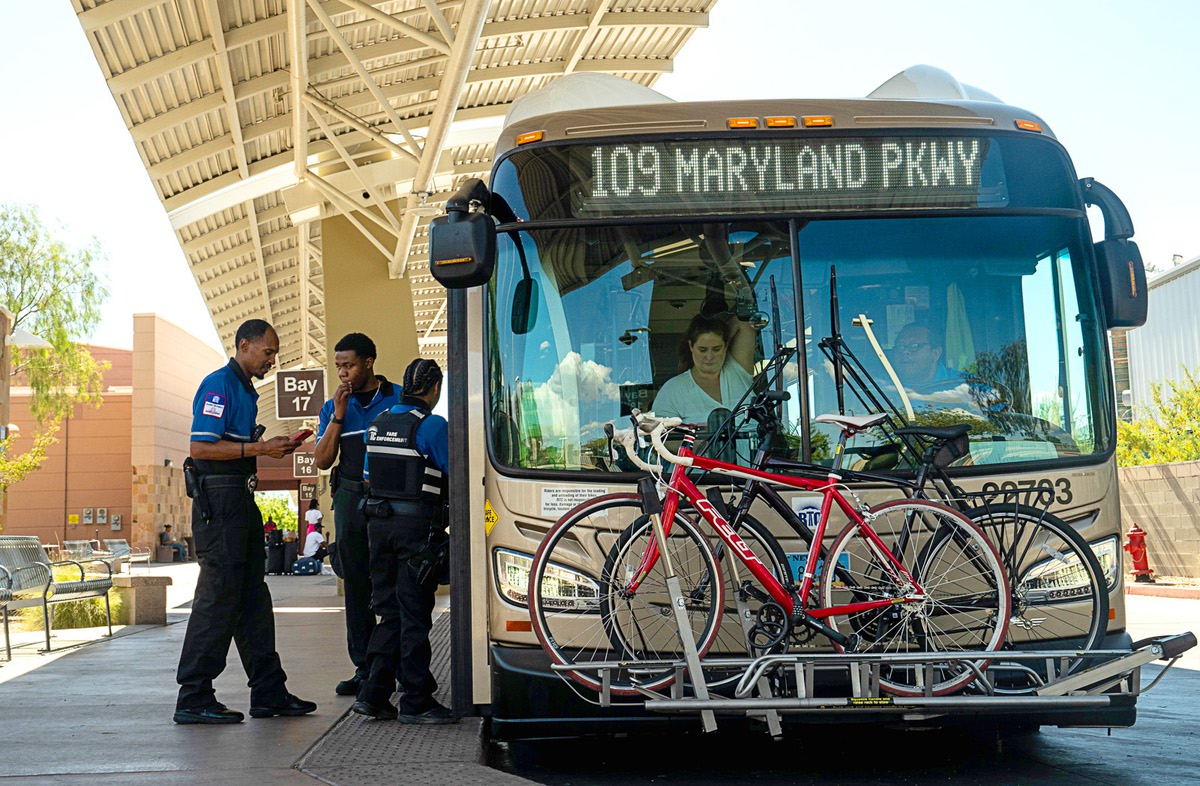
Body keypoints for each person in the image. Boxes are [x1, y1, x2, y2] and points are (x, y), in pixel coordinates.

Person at [173, 319, 317, 725]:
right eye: (267, 352)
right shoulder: (218, 385)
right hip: (219, 502)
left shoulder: (244, 390)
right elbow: (200, 445)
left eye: (274, 354)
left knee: (253, 596)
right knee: (218, 595)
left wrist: (272, 449)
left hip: (239, 497)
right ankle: (194, 695)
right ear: (244, 345)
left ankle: (269, 692)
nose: (272, 360)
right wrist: (259, 447)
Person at [352, 358, 455, 725]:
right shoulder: (430, 425)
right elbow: (454, 474)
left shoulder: (377, 425)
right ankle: (416, 699)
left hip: (377, 529)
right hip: (415, 531)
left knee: (388, 612)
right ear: (434, 389)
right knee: (414, 614)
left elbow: (368, 477)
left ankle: (374, 694)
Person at [313, 332, 402, 697]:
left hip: (392, 499)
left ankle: (393, 666)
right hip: (350, 498)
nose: (343, 373)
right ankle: (365, 669)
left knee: (395, 584)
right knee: (356, 587)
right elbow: (321, 460)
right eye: (338, 366)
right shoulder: (334, 407)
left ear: (369, 362)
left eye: (348, 365)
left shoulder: (398, 399)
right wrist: (337, 416)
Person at [653, 313, 757, 423]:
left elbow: (744, 322)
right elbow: (661, 436)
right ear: (691, 346)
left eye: (716, 349)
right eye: (702, 350)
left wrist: (720, 330)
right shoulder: (672, 390)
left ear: (726, 346)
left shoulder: (737, 370)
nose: (709, 356)